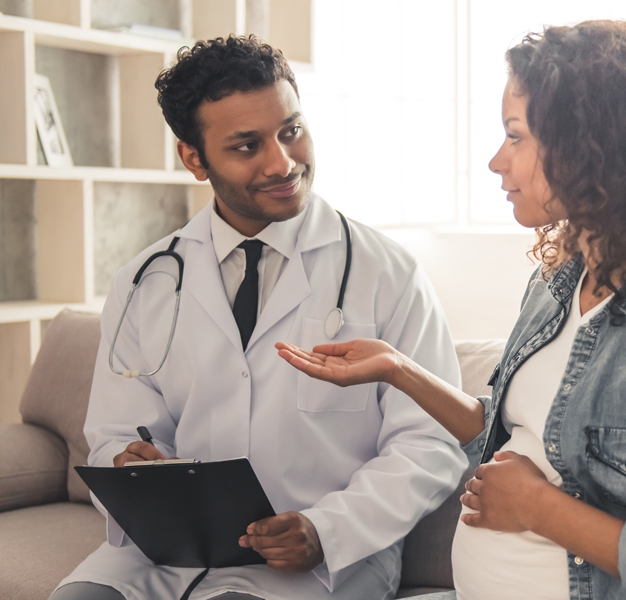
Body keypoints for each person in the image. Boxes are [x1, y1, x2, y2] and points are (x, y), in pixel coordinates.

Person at [277, 20, 626, 600]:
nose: (497, 161)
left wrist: (539, 509)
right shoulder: (557, 283)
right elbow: (507, 435)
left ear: (592, 146)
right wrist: (398, 369)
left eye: (515, 136)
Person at [50, 35, 466, 600]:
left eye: (291, 131)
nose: (282, 162)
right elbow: (115, 435)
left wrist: (327, 529)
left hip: (324, 560)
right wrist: (130, 465)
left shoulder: (387, 273)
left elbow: (431, 443)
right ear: (193, 157)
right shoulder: (144, 281)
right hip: (165, 555)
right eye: (247, 146)